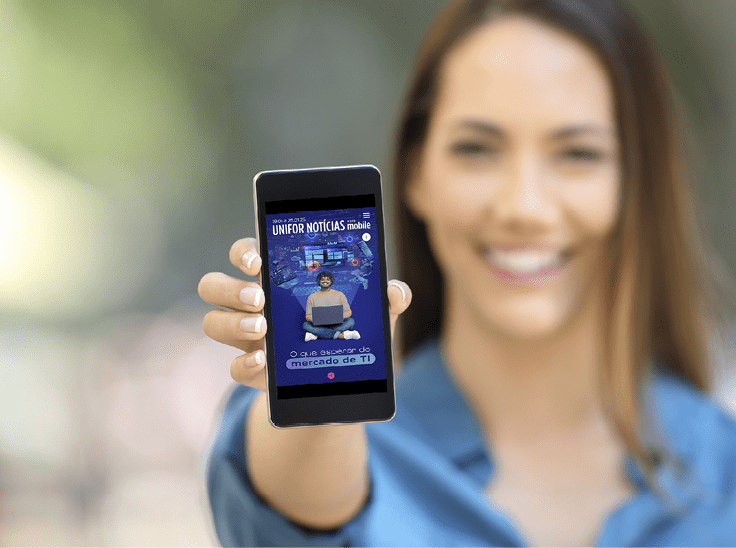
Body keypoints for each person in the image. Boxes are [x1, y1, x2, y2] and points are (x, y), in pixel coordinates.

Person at [197, 0, 736, 545]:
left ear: (636, 183)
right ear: (415, 174)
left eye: (578, 153)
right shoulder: (337, 445)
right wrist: (313, 385)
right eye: (476, 149)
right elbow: (299, 497)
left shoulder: (723, 465)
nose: (524, 206)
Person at [303, 270, 361, 341]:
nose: (325, 281)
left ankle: (317, 335)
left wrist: (338, 317)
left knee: (351, 321)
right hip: (319, 325)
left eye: (327, 279)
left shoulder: (340, 295)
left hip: (337, 324)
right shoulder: (311, 297)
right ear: (319, 281)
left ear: (331, 281)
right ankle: (341, 335)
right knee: (306, 325)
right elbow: (307, 316)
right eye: (322, 279)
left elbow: (348, 312)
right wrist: (320, 319)